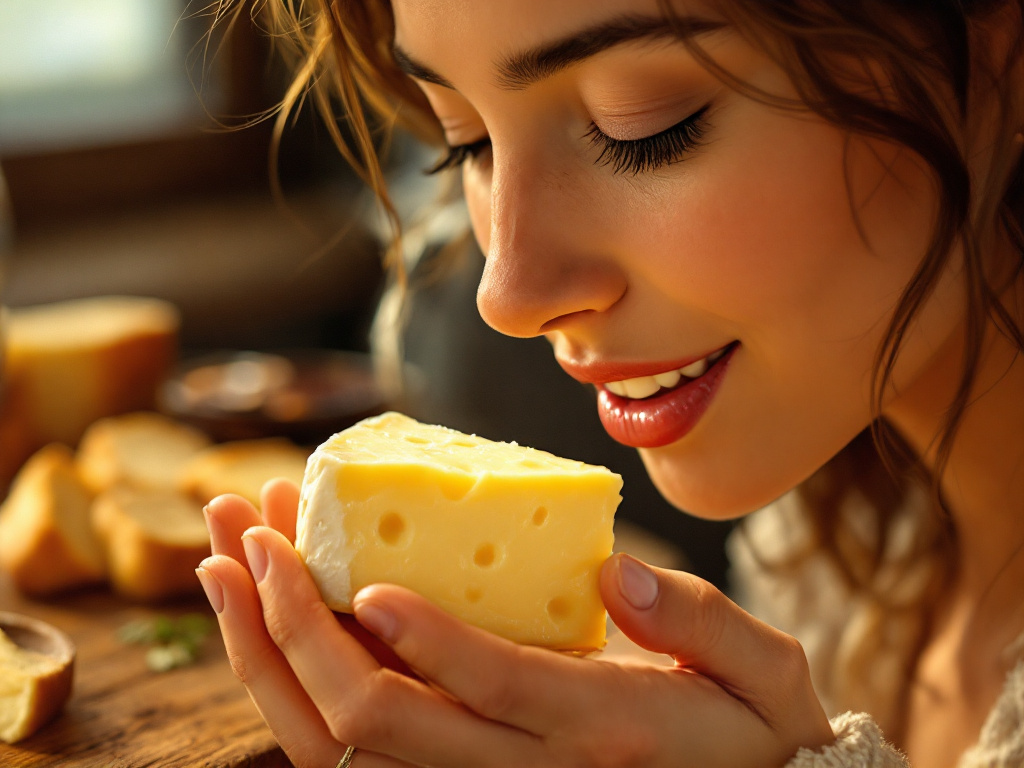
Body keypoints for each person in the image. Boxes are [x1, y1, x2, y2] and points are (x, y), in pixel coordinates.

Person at [196, 0, 1024, 765]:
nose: (508, 295)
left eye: (642, 127)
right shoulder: (829, 544)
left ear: (1000, 58)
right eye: (466, 141)